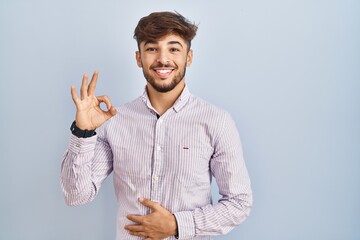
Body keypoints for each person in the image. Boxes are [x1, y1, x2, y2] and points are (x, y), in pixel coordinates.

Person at [61, 11, 252, 240]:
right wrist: (83, 133)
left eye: (174, 49)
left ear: (188, 57)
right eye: (152, 49)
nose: (163, 59)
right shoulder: (114, 121)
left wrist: (176, 225)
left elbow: (239, 203)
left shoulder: (216, 121)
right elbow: (76, 195)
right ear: (139, 58)